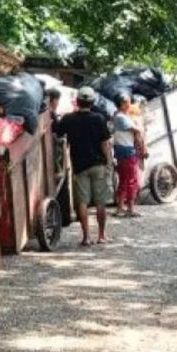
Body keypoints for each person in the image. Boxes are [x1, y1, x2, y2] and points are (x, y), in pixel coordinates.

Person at [52, 86, 113, 246]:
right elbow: (105, 143)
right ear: (92, 102)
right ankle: (101, 235)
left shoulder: (68, 119)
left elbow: (57, 133)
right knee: (100, 202)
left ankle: (86, 237)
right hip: (98, 164)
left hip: (79, 166)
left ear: (77, 102)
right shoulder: (99, 119)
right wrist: (108, 162)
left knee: (82, 202)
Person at [111, 95, 147, 217]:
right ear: (121, 104)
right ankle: (130, 209)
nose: (128, 105)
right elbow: (136, 130)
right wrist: (139, 128)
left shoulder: (121, 116)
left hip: (122, 151)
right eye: (126, 102)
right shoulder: (121, 117)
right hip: (126, 151)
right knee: (131, 180)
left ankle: (120, 207)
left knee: (124, 180)